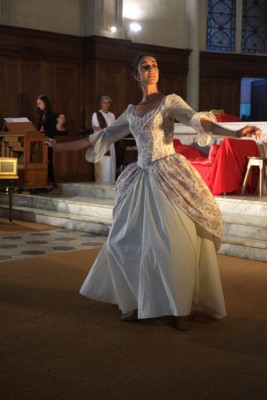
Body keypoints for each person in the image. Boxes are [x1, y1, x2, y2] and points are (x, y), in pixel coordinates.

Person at [45, 53, 261, 331]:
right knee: (123, 242)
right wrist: (60, 147)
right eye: (145, 67)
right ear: (136, 75)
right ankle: (137, 301)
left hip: (168, 174)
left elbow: (198, 121)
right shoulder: (132, 111)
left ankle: (178, 308)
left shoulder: (169, 101)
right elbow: (102, 137)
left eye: (155, 65)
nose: (151, 70)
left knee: (172, 245)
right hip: (139, 178)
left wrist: (235, 133)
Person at [92, 96, 116, 184]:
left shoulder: (112, 115)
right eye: (104, 103)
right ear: (101, 104)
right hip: (101, 142)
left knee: (110, 164)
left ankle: (110, 183)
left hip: (110, 143)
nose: (106, 105)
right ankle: (100, 183)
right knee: (102, 165)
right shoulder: (96, 115)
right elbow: (97, 128)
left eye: (108, 103)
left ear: (109, 104)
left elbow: (115, 127)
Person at [36, 95, 57, 186]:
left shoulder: (51, 115)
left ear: (45, 103)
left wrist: (42, 133)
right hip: (41, 141)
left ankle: (51, 180)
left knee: (48, 160)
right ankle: (42, 180)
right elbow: (38, 129)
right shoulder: (41, 115)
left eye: (40, 103)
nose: (38, 105)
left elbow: (52, 129)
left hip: (49, 140)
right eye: (37, 103)